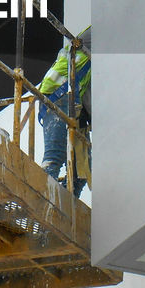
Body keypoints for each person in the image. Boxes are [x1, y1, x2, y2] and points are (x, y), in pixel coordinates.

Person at [38, 26, 91, 195]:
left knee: (81, 169)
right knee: (55, 155)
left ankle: (68, 204)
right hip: (58, 92)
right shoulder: (101, 34)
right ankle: (44, 198)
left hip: (74, 101)